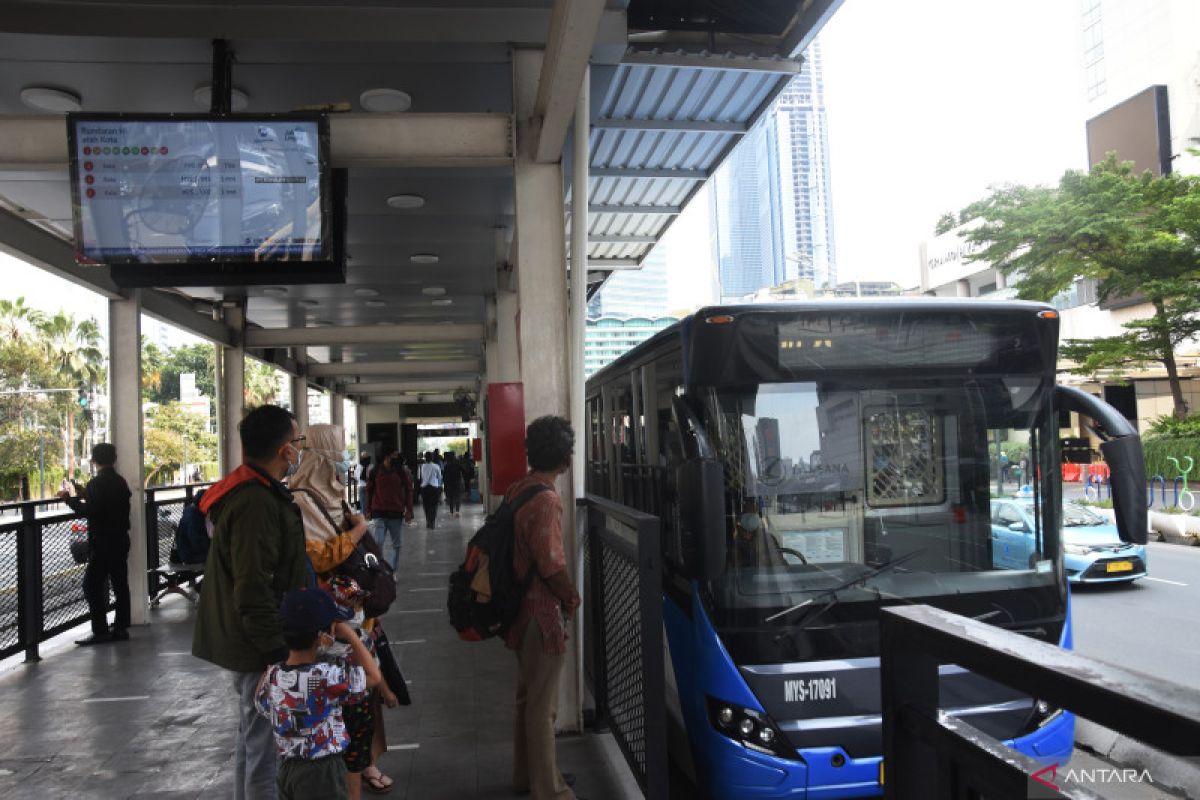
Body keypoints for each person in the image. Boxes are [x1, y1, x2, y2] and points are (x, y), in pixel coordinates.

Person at [192, 404, 313, 800]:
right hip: (256, 644)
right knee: (266, 746)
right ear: (283, 450)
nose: (299, 449)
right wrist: (276, 652)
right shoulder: (255, 504)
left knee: (252, 735)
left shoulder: (257, 493)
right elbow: (252, 586)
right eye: (297, 441)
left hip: (250, 640)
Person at [506, 416, 581, 800]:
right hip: (541, 614)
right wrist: (571, 596)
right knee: (542, 707)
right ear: (563, 457)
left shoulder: (519, 488)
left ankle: (527, 776)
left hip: (518, 612)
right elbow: (551, 563)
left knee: (527, 697)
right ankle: (548, 790)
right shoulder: (547, 499)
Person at [255, 587, 381, 800]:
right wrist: (351, 635)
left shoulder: (273, 674)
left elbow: (261, 703)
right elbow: (373, 677)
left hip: (287, 769)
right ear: (322, 637)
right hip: (323, 771)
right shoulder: (326, 677)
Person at [59, 442, 132, 646]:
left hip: (102, 542)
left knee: (91, 585)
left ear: (94, 460)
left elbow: (90, 511)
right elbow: (108, 504)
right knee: (120, 585)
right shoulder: (120, 482)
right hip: (120, 539)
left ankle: (100, 630)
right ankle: (121, 628)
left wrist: (69, 499)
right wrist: (86, 494)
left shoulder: (95, 484)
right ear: (114, 459)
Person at [289, 424, 371, 576]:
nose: (345, 454)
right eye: (341, 447)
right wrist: (359, 529)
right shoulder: (299, 501)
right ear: (324, 455)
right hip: (323, 592)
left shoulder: (334, 493)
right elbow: (318, 559)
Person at [366, 451, 414, 569]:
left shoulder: (401, 472)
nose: (396, 458)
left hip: (396, 514)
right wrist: (368, 510)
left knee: (396, 545)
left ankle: (393, 570)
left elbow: (409, 490)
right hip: (379, 513)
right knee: (378, 543)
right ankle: (381, 569)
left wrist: (409, 510)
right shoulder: (375, 471)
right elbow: (369, 490)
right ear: (386, 457)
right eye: (394, 455)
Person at [418, 452, 443, 529]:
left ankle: (428, 521)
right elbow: (439, 477)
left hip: (424, 488)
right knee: (434, 506)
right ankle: (432, 522)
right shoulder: (436, 466)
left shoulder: (421, 466)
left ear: (425, 458)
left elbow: (420, 477)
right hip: (434, 488)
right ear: (432, 458)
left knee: (426, 506)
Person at [442, 451, 464, 518]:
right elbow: (463, 470)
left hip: (449, 483)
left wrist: (445, 483)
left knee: (451, 497)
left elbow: (444, 475)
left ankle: (451, 512)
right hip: (457, 482)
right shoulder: (458, 463)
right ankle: (457, 511)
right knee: (457, 496)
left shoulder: (447, 464)